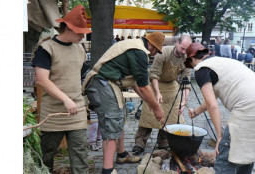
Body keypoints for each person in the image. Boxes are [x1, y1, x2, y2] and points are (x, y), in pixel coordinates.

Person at [184, 42, 255, 174]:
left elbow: (212, 105)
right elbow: (211, 99)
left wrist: (219, 136)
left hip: (248, 108)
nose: (192, 67)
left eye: (190, 64)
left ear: (192, 59)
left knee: (224, 156)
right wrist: (196, 112)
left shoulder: (201, 69)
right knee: (246, 154)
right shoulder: (221, 62)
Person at [82, 31, 165, 174]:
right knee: (112, 124)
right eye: (156, 49)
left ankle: (121, 155)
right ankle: (107, 170)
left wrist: (148, 101)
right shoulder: (139, 52)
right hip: (103, 84)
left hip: (107, 84)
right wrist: (157, 109)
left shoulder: (135, 46)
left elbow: (134, 82)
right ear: (151, 44)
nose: (156, 53)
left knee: (119, 117)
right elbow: (144, 86)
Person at [31, 5, 91, 173]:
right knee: (46, 155)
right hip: (53, 113)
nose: (83, 35)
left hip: (77, 109)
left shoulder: (80, 48)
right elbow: (42, 80)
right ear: (68, 28)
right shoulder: (47, 48)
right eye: (80, 32)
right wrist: (65, 99)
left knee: (80, 155)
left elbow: (82, 74)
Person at [132, 35, 192, 155]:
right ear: (177, 43)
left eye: (186, 49)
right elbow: (154, 74)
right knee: (148, 115)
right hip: (156, 84)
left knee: (170, 117)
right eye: (182, 48)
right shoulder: (163, 52)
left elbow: (186, 81)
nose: (184, 52)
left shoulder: (187, 59)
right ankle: (140, 143)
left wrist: (184, 100)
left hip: (172, 86)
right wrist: (157, 93)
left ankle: (163, 142)